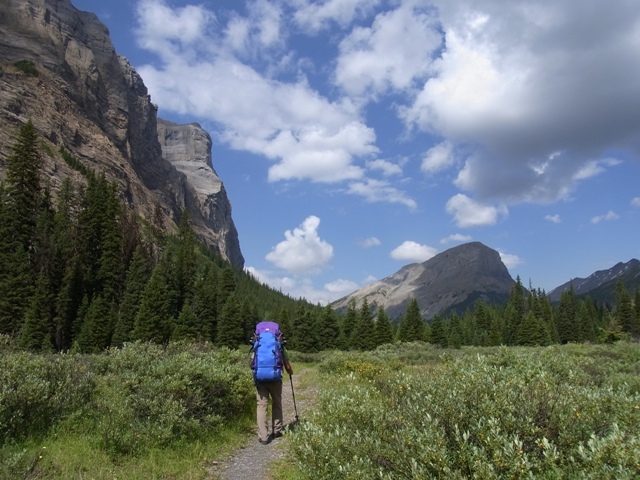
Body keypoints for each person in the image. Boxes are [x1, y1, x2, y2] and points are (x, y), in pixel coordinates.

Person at [255, 345, 293, 445]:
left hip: (260, 379)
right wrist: (290, 372)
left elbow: (253, 362)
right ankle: (277, 430)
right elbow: (287, 365)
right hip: (275, 378)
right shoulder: (280, 345)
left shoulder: (258, 344)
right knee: (277, 402)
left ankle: (263, 436)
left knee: (261, 406)